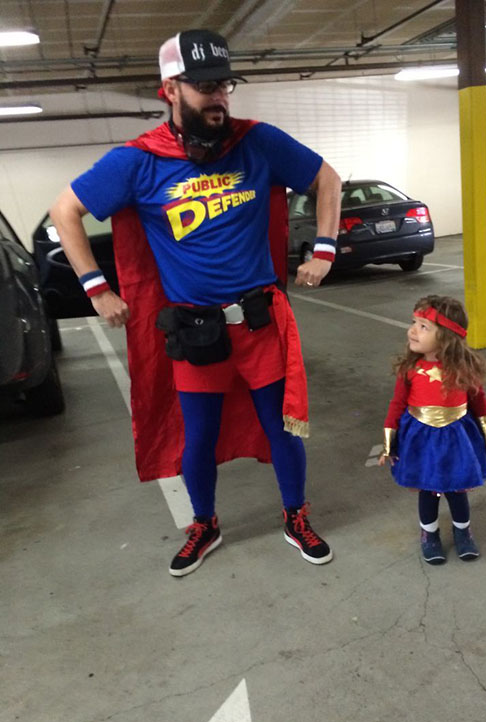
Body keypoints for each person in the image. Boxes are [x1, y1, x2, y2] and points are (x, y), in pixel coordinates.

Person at [50, 29, 341, 577]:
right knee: (198, 438)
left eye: (224, 85)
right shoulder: (139, 161)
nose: (219, 98)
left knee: (283, 429)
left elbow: (326, 178)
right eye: (206, 87)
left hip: (259, 323)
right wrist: (97, 288)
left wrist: (324, 249)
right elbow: (65, 211)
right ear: (170, 90)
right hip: (196, 332)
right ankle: (204, 524)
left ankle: (295, 516)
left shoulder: (257, 142)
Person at [378, 295, 486, 564]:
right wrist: (389, 442)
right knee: (428, 489)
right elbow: (397, 404)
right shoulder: (410, 368)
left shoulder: (464, 368)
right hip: (420, 440)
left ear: (446, 336)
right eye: (413, 322)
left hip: (457, 438)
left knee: (457, 488)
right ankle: (429, 534)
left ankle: (463, 532)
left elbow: (479, 402)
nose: (412, 330)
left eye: (423, 326)